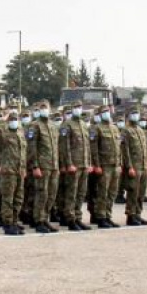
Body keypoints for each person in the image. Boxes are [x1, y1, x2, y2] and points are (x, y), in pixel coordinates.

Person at [27, 100, 60, 233]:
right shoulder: (34, 126)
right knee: (42, 193)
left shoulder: (52, 126)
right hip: (42, 165)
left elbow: (56, 147)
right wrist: (35, 166)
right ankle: (38, 220)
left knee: (51, 194)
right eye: (42, 107)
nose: (44, 110)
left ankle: (45, 218)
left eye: (46, 107)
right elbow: (32, 148)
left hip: (53, 166)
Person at [59, 100, 93, 231]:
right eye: (76, 107)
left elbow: (87, 146)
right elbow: (65, 146)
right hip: (74, 165)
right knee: (71, 193)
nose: (78, 109)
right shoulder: (67, 125)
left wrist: (89, 163)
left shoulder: (83, 125)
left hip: (84, 164)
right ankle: (70, 219)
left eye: (80, 106)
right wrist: (69, 164)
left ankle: (78, 217)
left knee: (81, 193)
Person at [0, 107, 27, 236]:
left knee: (18, 198)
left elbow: (23, 153)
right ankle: (7, 223)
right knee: (8, 198)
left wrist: (24, 168)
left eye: (16, 119)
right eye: (11, 119)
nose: (14, 121)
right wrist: (3, 120)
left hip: (19, 170)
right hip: (8, 171)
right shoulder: (4, 133)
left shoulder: (20, 133)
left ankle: (14, 221)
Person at [91, 105, 123, 228]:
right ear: (100, 114)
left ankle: (108, 216)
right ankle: (101, 217)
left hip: (115, 165)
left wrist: (120, 164)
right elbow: (94, 149)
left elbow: (119, 148)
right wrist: (97, 165)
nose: (107, 113)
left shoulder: (115, 128)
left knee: (112, 193)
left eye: (108, 111)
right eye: (104, 111)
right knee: (102, 193)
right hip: (104, 166)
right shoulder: (97, 129)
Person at [122, 108, 147, 226]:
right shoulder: (126, 131)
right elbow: (125, 150)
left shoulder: (140, 130)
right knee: (133, 191)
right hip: (134, 166)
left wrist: (146, 165)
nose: (136, 116)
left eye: (137, 114)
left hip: (143, 166)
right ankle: (131, 215)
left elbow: (144, 149)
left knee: (141, 192)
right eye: (133, 114)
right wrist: (129, 167)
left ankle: (138, 214)